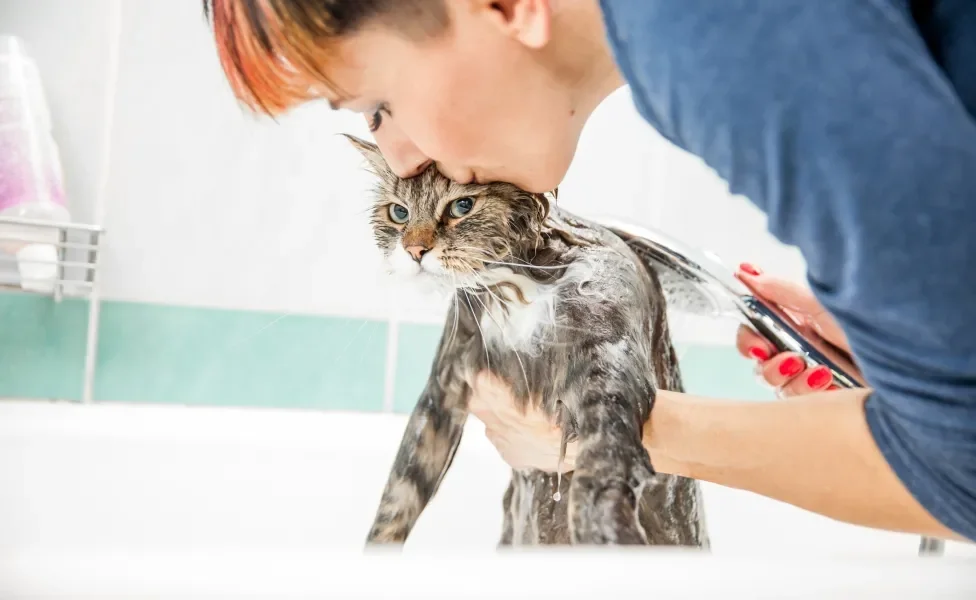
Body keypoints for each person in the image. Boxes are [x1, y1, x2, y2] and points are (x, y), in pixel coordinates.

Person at [202, 0, 975, 543]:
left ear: (503, 5)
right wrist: (908, 335)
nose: (399, 159)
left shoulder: (712, 36)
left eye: (377, 106)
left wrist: (629, 431)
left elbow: (966, 475)